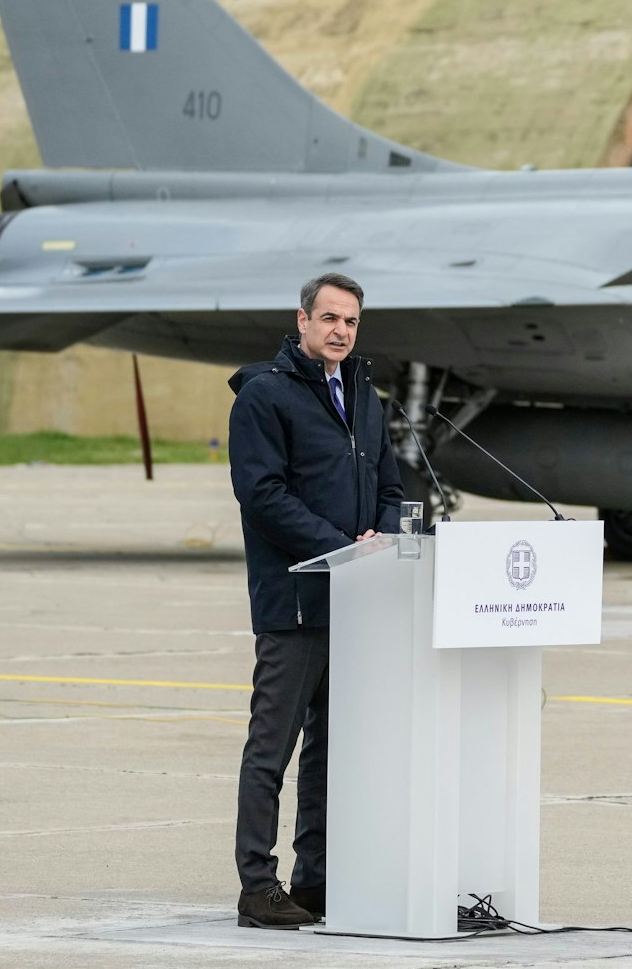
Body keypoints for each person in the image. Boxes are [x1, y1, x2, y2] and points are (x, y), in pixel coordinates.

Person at [227, 273, 405, 929]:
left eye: (351, 321)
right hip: (296, 603)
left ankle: (318, 879)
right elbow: (263, 495)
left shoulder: (364, 395)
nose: (340, 331)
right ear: (301, 320)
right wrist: (339, 545)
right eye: (329, 317)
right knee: (270, 749)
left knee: (331, 751)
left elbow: (391, 479)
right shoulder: (263, 397)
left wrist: (381, 535)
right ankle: (256, 885)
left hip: (355, 603)